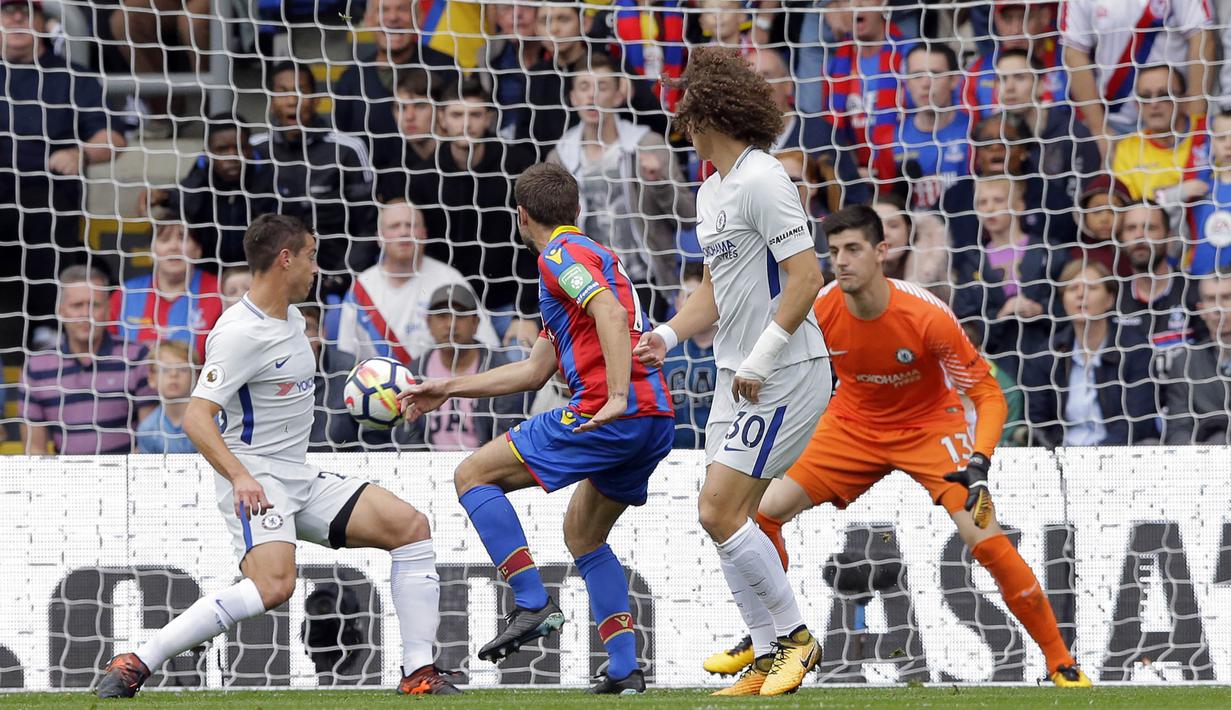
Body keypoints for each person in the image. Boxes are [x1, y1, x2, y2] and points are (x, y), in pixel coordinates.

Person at [705, 204, 1092, 690]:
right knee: (762, 513)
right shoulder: (821, 308)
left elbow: (988, 394)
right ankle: (772, 638)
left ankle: (1060, 662)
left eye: (853, 249)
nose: (841, 261)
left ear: (882, 252)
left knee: (986, 539)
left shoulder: (926, 315)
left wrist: (980, 460)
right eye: (834, 251)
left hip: (929, 428)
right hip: (852, 425)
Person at [95, 214, 461, 698]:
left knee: (410, 527)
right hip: (258, 481)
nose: (316, 267)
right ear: (285, 259)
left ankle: (418, 672)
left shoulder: (291, 318)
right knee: (273, 587)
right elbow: (197, 418)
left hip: (297, 476)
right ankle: (137, 661)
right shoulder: (238, 332)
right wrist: (240, 477)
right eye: (310, 256)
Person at [397, 163, 674, 694]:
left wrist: (616, 396)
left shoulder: (559, 256)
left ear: (521, 217)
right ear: (577, 210)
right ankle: (624, 669)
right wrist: (447, 387)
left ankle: (530, 601)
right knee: (584, 534)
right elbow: (532, 371)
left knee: (472, 475)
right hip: (653, 419)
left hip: (609, 414)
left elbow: (611, 314)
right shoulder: (594, 258)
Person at [634, 47, 829, 696]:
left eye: (685, 113)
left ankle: (796, 640)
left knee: (720, 509)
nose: (680, 127)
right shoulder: (711, 190)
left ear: (707, 114)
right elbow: (716, 290)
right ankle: (766, 653)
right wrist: (666, 335)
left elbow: (806, 277)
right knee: (720, 515)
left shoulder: (763, 178)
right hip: (734, 374)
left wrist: (761, 358)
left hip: (783, 370)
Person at [0, 0, 127, 352]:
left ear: (43, 22)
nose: (16, 19)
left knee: (45, 211)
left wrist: (80, 153)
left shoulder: (71, 76)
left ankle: (47, 329)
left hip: (48, 192)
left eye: (26, 12)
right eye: (7, 12)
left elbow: (113, 138)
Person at [546, 50, 696, 315]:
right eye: (584, 87)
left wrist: (659, 182)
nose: (592, 96)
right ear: (573, 97)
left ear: (618, 95)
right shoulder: (559, 158)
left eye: (602, 87)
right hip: (587, 287)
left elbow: (688, 217)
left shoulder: (647, 144)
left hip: (646, 282)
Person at [405, 78, 540, 345]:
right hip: (450, 309)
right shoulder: (424, 177)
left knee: (521, 357)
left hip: (510, 306)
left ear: (488, 118)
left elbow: (535, 243)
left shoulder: (517, 167)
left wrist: (526, 313)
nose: (466, 124)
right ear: (442, 118)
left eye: (475, 115)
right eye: (457, 115)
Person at [251, 61, 379, 299]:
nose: (292, 100)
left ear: (316, 99)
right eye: (283, 92)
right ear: (271, 100)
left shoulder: (347, 149)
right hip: (273, 280)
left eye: (301, 90)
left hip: (337, 281)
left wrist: (341, 277)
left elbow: (368, 226)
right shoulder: (255, 150)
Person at [336, 200, 498, 366]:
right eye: (394, 226)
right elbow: (346, 358)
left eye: (411, 225)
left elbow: (487, 346)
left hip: (444, 379)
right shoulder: (363, 287)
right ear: (379, 237)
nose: (404, 232)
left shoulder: (449, 278)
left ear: (424, 234)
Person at [17, 266, 156, 455]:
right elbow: (34, 449)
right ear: (61, 311)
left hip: (128, 472)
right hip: (64, 473)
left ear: (108, 310)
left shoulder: (136, 357)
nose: (86, 313)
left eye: (94, 305)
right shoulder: (36, 368)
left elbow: (149, 441)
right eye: (77, 305)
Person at [1022, 261, 1158, 446]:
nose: (1081, 295)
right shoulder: (1047, 354)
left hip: (1119, 454)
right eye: (1072, 289)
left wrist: (1095, 456)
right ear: (1063, 300)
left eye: (1091, 288)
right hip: (1062, 454)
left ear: (1110, 299)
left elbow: (1137, 421)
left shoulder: (1135, 350)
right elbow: (1038, 422)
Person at [1061, 0, 1214, 148]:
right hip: (1114, 124)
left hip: (1175, 121)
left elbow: (1202, 36)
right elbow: (1074, 54)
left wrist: (1195, 118)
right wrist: (1099, 131)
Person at [952, 177, 1068, 366]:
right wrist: (1000, 316)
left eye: (998, 200)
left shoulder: (1049, 252)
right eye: (982, 202)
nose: (990, 208)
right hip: (996, 366)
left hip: (1048, 361)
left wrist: (1040, 310)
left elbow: (1069, 303)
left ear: (1019, 205)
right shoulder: (972, 263)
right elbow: (964, 321)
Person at [137, 115, 276, 267]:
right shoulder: (198, 181)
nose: (233, 156)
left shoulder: (271, 180)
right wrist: (164, 197)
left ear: (250, 148)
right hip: (207, 272)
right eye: (222, 150)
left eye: (239, 147)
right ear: (208, 152)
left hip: (257, 271)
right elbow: (181, 198)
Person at [995, 47, 1100, 248]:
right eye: (1002, 79)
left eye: (1019, 78)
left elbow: (1081, 204)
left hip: (1069, 245)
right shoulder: (991, 137)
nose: (1009, 87)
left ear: (1041, 85)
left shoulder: (1073, 134)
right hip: (1012, 246)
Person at [404, 284, 528, 450]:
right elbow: (406, 438)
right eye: (442, 315)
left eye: (460, 315)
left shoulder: (501, 371)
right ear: (428, 322)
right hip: (427, 464)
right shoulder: (412, 373)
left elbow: (505, 436)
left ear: (475, 323)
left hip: (486, 463)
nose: (451, 324)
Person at [333, 0, 457, 166]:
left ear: (419, 17)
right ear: (368, 20)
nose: (392, 17)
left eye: (402, 9)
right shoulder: (351, 81)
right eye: (383, 10)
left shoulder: (445, 67)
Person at [110, 203, 224, 363]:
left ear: (198, 250)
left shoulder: (219, 292)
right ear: (151, 251)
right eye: (164, 239)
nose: (173, 247)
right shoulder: (125, 295)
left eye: (182, 238)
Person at [887, 43, 972, 211]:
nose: (925, 84)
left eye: (935, 74)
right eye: (917, 75)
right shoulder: (890, 141)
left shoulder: (973, 132)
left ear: (954, 80)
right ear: (907, 82)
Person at [1111, 66, 1209, 205]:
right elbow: (1130, 209)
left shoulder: (1211, 131)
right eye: (1145, 97)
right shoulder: (1128, 149)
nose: (1154, 104)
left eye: (1164, 95)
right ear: (1137, 105)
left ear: (1184, 100)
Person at [1114, 202, 1200, 351]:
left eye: (1150, 228)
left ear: (1169, 237)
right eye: (1131, 228)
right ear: (1121, 239)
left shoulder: (1195, 292)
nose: (1139, 235)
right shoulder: (1112, 299)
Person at [963, 0, 1066, 120]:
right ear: (996, 19)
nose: (1016, 30)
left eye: (1025, 18)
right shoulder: (977, 71)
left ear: (1044, 17)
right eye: (1007, 19)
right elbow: (964, 126)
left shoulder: (1068, 60)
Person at [1162, 267, 1231, 444]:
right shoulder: (1184, 363)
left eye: (1227, 297)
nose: (1218, 308)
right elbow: (1178, 430)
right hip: (1204, 455)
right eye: (1210, 299)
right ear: (1200, 309)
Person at [660, 263, 718, 448]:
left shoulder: (733, 350)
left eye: (700, 298)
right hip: (671, 454)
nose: (695, 305)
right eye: (689, 297)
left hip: (721, 453)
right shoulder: (663, 352)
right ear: (678, 303)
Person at [372, 68, 439, 202]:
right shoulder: (396, 173)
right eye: (401, 108)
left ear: (441, 111)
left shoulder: (460, 158)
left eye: (420, 106)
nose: (409, 117)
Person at [1186, 110, 1231, 275]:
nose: (1228, 145)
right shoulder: (1200, 185)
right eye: (1221, 138)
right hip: (1200, 277)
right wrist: (1181, 192)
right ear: (1210, 141)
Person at [135, 339, 197, 454]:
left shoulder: (213, 420)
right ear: (151, 378)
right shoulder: (148, 429)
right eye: (165, 369)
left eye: (182, 369)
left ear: (195, 375)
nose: (174, 374)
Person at [1072, 173, 1132, 274]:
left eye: (1113, 211)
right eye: (1097, 211)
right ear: (1083, 214)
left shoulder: (1134, 255)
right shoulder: (1075, 256)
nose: (1104, 219)